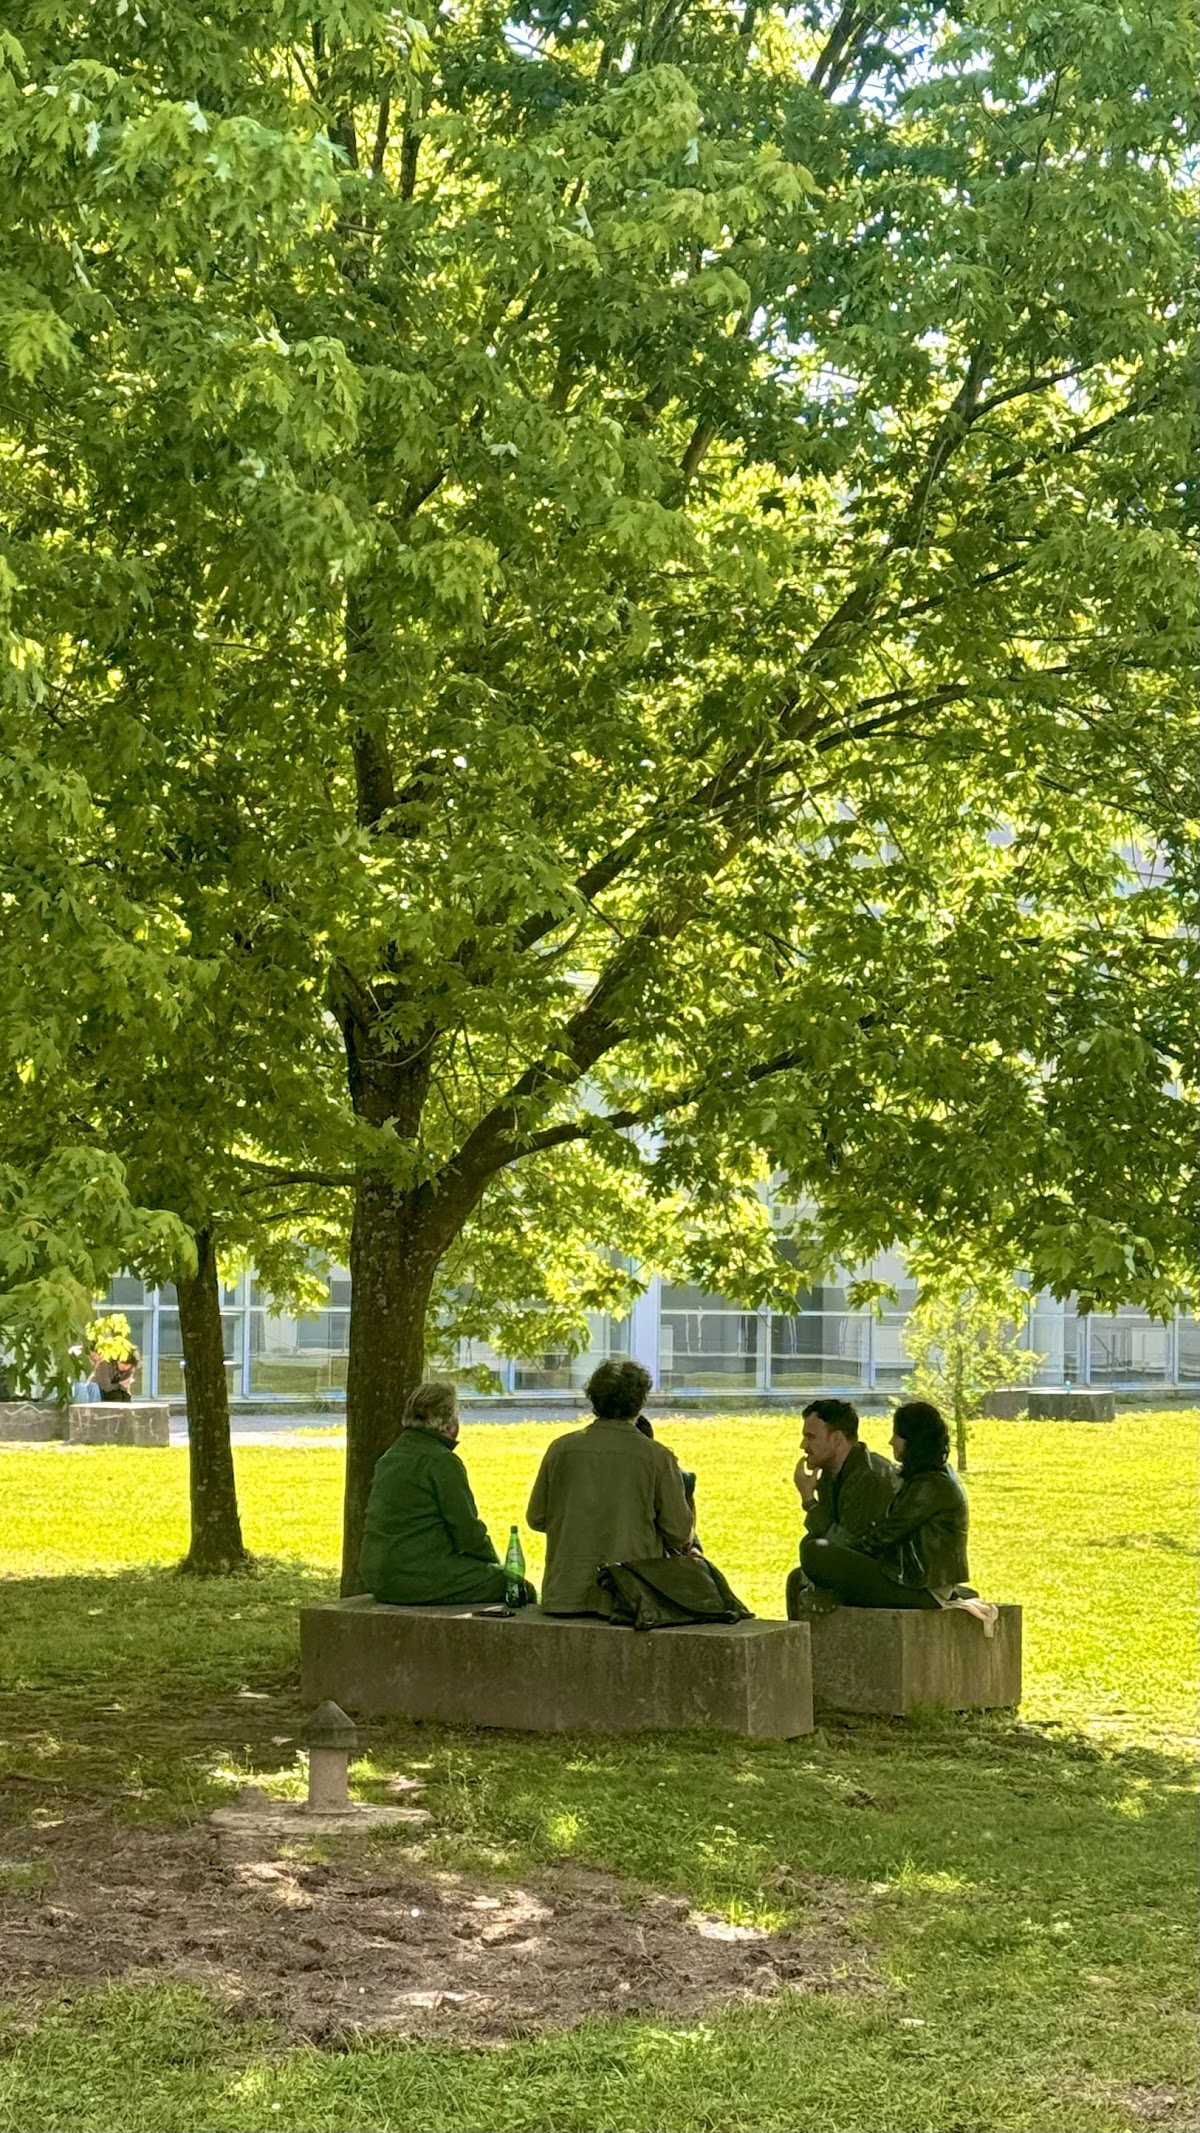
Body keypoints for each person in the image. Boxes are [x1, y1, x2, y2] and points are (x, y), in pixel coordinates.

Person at [528, 1358, 694, 1615]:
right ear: (640, 1401)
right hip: (631, 1599)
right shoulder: (656, 1457)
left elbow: (537, 1517)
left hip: (565, 1594)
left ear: (594, 1399)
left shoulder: (561, 1449)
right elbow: (678, 1531)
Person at [358, 1378, 536, 1607]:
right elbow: (467, 1532)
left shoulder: (391, 1456)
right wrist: (494, 1565)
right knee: (517, 1588)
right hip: (416, 1575)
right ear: (450, 1422)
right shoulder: (442, 1461)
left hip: (377, 1574)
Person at [798, 1399, 970, 1611]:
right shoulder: (924, 1480)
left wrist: (811, 1505)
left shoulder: (930, 1485)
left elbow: (884, 1536)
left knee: (815, 1551)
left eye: (897, 1435)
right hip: (908, 1576)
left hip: (921, 1587)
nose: (891, 1442)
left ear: (913, 1440)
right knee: (807, 1565)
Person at [786, 1398, 897, 1619]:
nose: (803, 1446)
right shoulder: (831, 1475)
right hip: (861, 1562)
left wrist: (809, 1501)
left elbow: (847, 1543)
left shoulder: (868, 1477)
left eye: (810, 1437)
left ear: (836, 1438)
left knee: (809, 1558)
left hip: (888, 1570)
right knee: (799, 1576)